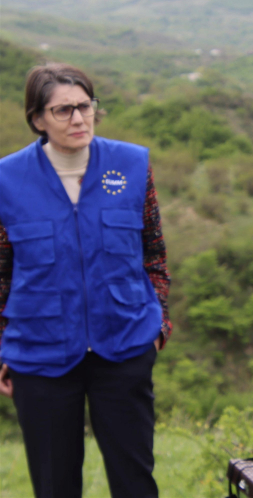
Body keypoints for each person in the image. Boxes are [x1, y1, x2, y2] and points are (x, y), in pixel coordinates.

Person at [0, 63, 172, 498]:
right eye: (63, 111)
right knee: (56, 486)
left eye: (85, 106)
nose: (78, 119)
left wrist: (159, 328)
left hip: (125, 349)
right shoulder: (6, 180)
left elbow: (154, 254)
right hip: (41, 357)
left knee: (135, 482)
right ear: (37, 119)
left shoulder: (132, 165)